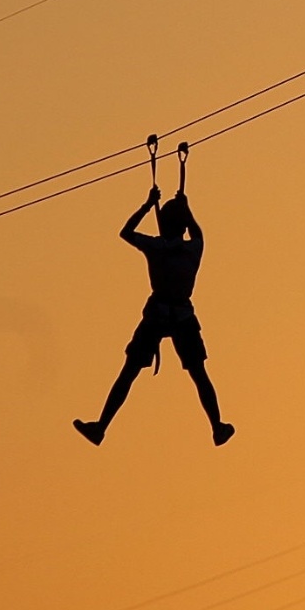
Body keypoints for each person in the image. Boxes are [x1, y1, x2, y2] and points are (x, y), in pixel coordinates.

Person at [74, 186, 234, 448]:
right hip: (182, 314)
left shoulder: (156, 246)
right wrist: (187, 207)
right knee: (199, 374)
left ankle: (101, 427)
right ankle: (217, 427)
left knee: (129, 372)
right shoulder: (194, 248)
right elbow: (197, 230)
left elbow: (125, 232)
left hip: (158, 313)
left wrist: (148, 204)